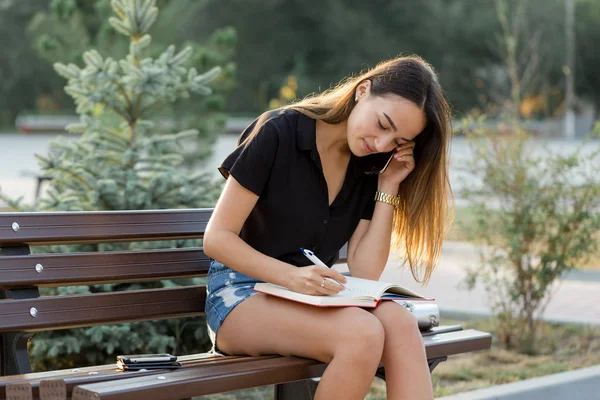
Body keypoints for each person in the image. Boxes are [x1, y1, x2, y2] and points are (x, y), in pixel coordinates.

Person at [203, 55, 453, 400]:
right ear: (362, 91)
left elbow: (365, 269)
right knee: (361, 333)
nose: (381, 144)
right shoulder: (278, 131)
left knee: (402, 323)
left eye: (397, 141)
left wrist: (388, 187)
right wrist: (292, 277)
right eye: (382, 124)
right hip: (240, 296)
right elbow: (216, 239)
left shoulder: (369, 165)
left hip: (311, 298)